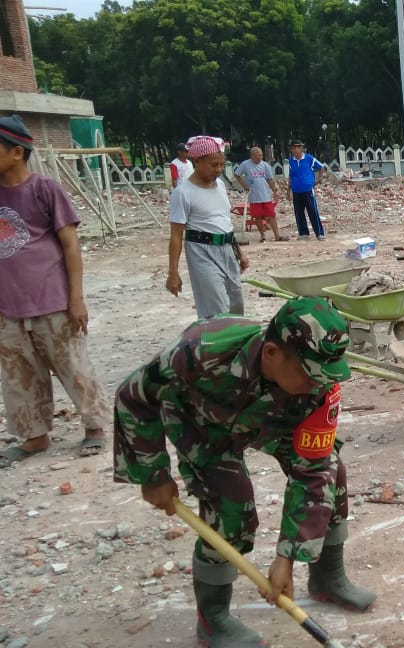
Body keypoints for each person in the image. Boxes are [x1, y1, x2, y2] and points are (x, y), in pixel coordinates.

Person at [112, 297, 376, 648]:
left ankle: (327, 577)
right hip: (202, 421)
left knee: (332, 475)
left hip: (275, 420)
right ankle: (214, 619)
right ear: (271, 353)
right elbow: (134, 397)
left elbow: (312, 472)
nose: (319, 384)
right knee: (231, 507)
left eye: (325, 376)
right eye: (308, 373)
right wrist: (152, 474)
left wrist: (287, 556)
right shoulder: (200, 350)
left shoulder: (320, 385)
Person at [0, 114, 111, 467]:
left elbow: (70, 246)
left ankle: (94, 428)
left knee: (74, 367)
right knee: (19, 375)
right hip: (8, 305)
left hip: (53, 300)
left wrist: (76, 298)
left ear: (16, 152)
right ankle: (34, 437)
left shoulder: (45, 189)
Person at [167, 136, 249, 320]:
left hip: (227, 250)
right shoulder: (183, 193)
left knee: (236, 305)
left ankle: (234, 347)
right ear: (196, 161)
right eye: (214, 165)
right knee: (216, 310)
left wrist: (239, 252)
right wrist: (173, 273)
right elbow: (176, 235)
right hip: (202, 254)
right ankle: (215, 347)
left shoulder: (219, 185)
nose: (219, 169)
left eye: (221, 164)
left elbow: (224, 222)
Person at [233, 146, 287, 243]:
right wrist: (244, 185)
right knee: (257, 216)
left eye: (261, 155)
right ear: (252, 155)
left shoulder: (265, 165)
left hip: (266, 195)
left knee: (271, 215)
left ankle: (277, 235)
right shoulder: (245, 164)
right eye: (259, 155)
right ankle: (262, 236)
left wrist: (274, 192)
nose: (261, 157)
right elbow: (237, 174)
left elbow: (270, 179)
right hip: (254, 196)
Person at [288, 140, 327, 240]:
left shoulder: (309, 159)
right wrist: (288, 190)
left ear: (301, 148)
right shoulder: (291, 161)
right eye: (293, 148)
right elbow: (290, 176)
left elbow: (321, 167)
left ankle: (319, 233)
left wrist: (317, 180)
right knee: (298, 212)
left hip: (308, 189)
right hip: (296, 190)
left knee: (312, 211)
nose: (295, 150)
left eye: (297, 147)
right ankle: (303, 233)